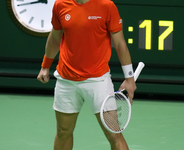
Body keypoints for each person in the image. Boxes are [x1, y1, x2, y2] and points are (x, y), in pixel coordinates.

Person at [37, 0, 136, 149]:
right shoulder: (60, 5)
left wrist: (129, 79)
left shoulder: (107, 6)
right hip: (66, 80)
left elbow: (120, 44)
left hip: (98, 81)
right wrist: (45, 66)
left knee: (114, 134)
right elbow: (55, 38)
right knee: (63, 131)